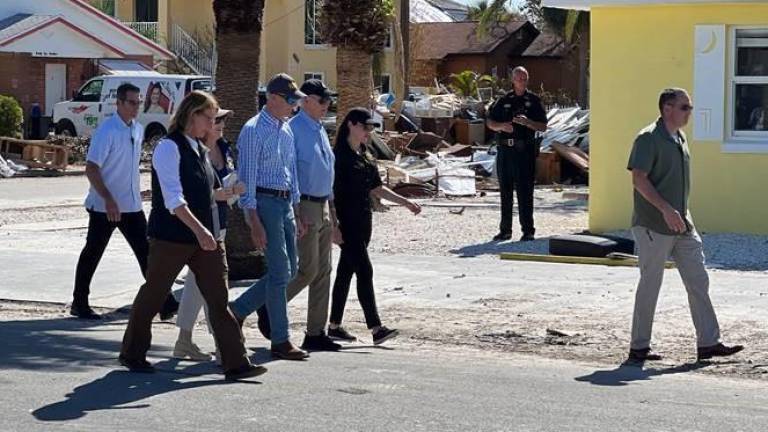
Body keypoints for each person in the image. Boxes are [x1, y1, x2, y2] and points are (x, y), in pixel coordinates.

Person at [120, 91, 264, 381]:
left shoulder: (200, 150)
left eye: (214, 120)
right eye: (208, 118)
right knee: (154, 294)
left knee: (218, 300)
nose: (212, 125)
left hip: (205, 238)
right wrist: (200, 231)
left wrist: (222, 206)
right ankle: (132, 353)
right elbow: (174, 199)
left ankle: (236, 362)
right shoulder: (168, 148)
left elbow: (207, 195)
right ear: (190, 115)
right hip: (171, 237)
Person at [626, 87, 744, 363]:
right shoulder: (647, 139)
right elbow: (639, 180)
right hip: (653, 225)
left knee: (698, 280)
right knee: (650, 285)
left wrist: (681, 214)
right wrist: (666, 210)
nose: (689, 112)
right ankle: (639, 347)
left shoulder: (679, 137)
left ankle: (708, 343)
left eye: (689, 107)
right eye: (685, 107)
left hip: (682, 224)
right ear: (667, 108)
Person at [71, 83, 176, 320]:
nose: (136, 107)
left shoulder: (137, 129)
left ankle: (166, 302)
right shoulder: (107, 131)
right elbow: (91, 168)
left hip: (131, 206)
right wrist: (108, 199)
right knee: (93, 252)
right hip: (104, 206)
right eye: (131, 102)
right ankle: (79, 302)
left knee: (146, 253)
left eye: (139, 102)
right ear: (118, 103)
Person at [254, 79, 342, 352]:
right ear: (306, 101)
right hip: (304, 204)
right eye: (323, 100)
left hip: (323, 204)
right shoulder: (293, 129)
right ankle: (270, 305)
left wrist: (334, 217)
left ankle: (315, 331)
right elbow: (289, 172)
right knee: (306, 269)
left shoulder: (318, 129)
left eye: (328, 100)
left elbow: (326, 174)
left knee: (323, 271)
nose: (328, 105)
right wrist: (298, 210)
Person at [229, 73, 309, 361]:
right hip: (264, 203)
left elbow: (292, 173)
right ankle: (280, 338)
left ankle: (236, 310)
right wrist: (254, 222)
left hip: (284, 204)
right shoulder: (252, 131)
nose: (294, 106)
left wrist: (297, 211)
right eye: (290, 101)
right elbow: (247, 180)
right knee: (278, 273)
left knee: (288, 270)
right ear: (273, 99)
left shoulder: (284, 129)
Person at [327, 107, 421, 345]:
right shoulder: (338, 156)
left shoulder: (365, 153)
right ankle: (376, 327)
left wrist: (405, 202)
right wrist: (333, 225)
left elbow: (376, 187)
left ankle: (334, 325)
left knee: (345, 273)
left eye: (371, 128)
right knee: (364, 271)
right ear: (351, 125)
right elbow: (329, 193)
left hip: (363, 220)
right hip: (346, 222)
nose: (369, 132)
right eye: (365, 127)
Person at [172, 108, 246, 361]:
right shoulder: (194, 153)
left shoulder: (225, 149)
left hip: (219, 225)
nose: (221, 124)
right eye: (216, 120)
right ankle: (225, 346)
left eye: (223, 120)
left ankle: (184, 341)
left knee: (197, 286)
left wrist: (234, 192)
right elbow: (187, 192)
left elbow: (228, 190)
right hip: (201, 227)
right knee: (215, 288)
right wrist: (215, 195)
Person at [486, 66, 548, 242]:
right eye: (519, 78)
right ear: (512, 80)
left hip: (524, 151)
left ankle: (528, 230)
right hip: (505, 151)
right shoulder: (504, 100)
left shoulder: (533, 101)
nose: (522, 81)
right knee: (505, 191)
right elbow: (490, 121)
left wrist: (528, 122)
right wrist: (501, 127)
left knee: (525, 192)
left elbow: (543, 126)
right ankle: (505, 230)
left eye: (525, 79)